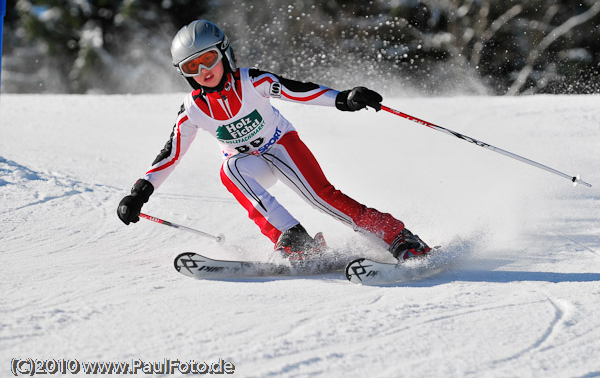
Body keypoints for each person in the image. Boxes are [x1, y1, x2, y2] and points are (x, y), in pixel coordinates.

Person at [117, 20, 431, 263]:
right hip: (251, 165)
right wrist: (139, 193)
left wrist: (344, 99)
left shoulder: (254, 82)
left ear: (224, 54)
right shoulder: (193, 110)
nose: (203, 71)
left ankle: (398, 237)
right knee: (231, 169)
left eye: (209, 59)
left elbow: (300, 90)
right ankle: (294, 238)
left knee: (322, 197)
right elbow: (171, 154)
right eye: (191, 67)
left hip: (282, 145)